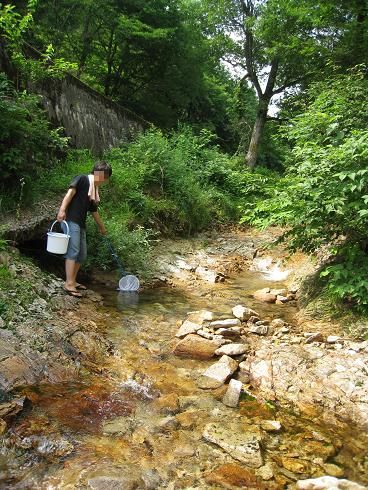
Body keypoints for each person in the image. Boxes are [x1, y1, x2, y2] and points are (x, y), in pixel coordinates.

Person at [56, 161, 112, 297]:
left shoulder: (94, 191)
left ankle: (73, 281)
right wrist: (62, 210)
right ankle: (68, 283)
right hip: (70, 220)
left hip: (80, 224)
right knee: (73, 251)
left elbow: (94, 212)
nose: (104, 181)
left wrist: (102, 228)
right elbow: (69, 194)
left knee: (82, 255)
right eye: (104, 177)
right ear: (100, 175)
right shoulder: (81, 179)